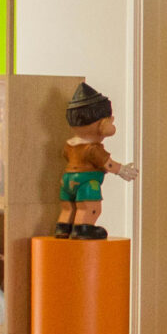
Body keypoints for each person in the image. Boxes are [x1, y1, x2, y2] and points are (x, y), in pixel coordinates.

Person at [55, 81, 137, 239]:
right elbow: (108, 164)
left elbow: (66, 156)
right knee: (89, 207)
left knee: (68, 207)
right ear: (102, 122)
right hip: (87, 182)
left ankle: (63, 227)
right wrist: (122, 170)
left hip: (66, 180)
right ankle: (83, 228)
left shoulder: (69, 145)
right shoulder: (93, 148)